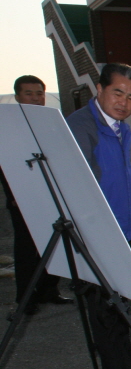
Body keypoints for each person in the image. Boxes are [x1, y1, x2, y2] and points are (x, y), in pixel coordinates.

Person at [66, 63, 131, 369]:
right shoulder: (80, 127)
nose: (124, 102)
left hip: (122, 228)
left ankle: (117, 365)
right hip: (96, 233)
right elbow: (79, 187)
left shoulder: (120, 127)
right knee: (109, 308)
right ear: (99, 90)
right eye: (117, 93)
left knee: (119, 304)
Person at [2, 76, 72, 316]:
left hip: (50, 194)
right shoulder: (8, 124)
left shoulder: (48, 121)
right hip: (21, 197)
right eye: (29, 93)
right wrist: (14, 195)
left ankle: (49, 290)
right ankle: (25, 299)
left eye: (39, 93)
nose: (35, 98)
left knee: (53, 245)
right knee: (26, 249)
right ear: (18, 96)